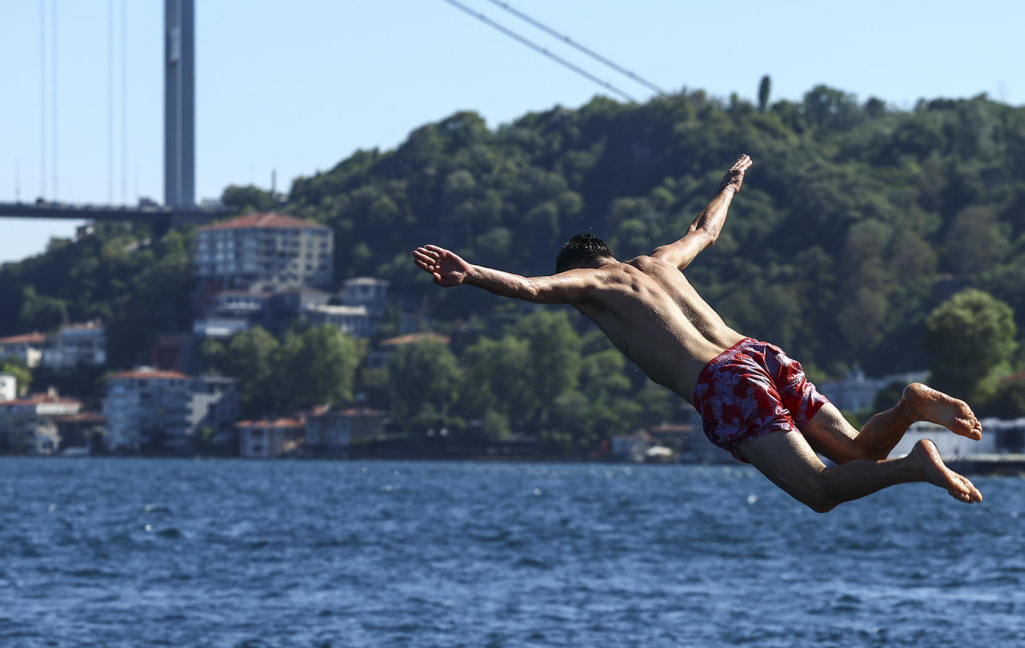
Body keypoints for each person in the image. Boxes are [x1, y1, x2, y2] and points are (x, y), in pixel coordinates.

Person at [412, 154, 983, 512]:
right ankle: (908, 408)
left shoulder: (588, 284)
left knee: (820, 491)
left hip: (723, 383)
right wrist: (731, 184)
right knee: (857, 452)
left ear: (579, 270)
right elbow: (704, 231)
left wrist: (471, 275)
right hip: (758, 352)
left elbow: (531, 288)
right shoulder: (660, 262)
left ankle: (915, 464)